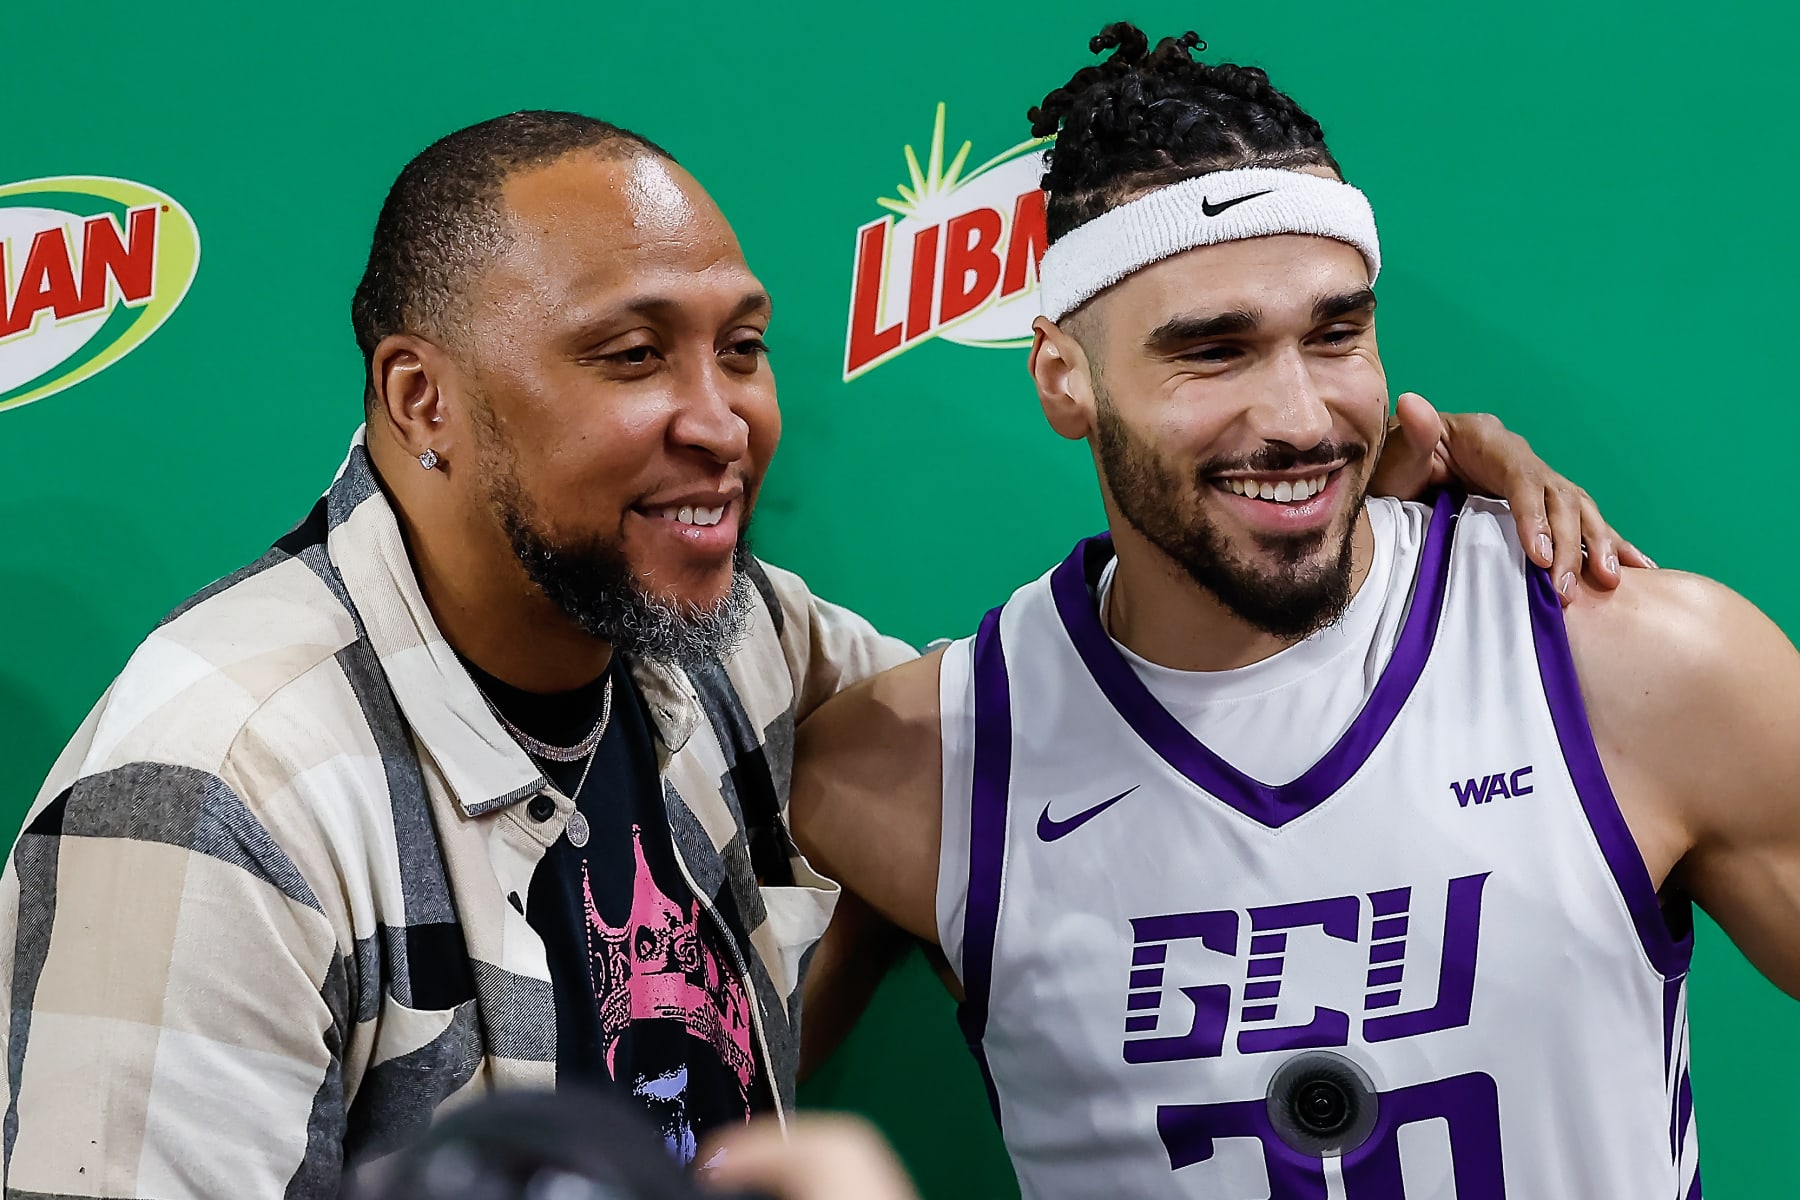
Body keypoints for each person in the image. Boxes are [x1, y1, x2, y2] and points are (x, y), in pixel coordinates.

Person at [0, 108, 1627, 1196]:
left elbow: (1079, 733)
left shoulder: (727, 640)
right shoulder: (212, 789)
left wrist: (1325, 523)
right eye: (633, 356)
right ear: (423, 403)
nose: (722, 420)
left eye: (747, 347)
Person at [789, 24, 1800, 1200]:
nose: (1302, 416)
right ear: (1064, 378)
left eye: (1336, 334)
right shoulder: (916, 771)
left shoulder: (1633, 663)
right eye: (1212, 352)